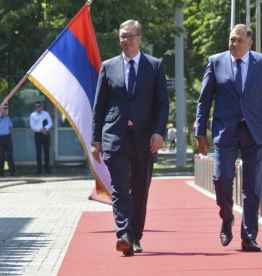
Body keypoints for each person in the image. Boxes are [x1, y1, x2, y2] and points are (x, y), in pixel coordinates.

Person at [195, 24, 262, 252]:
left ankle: (249, 235)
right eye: (232, 39)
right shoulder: (216, 62)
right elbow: (205, 100)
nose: (234, 44)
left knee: (252, 187)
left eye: (239, 41)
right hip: (225, 130)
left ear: (249, 43)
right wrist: (200, 131)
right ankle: (227, 217)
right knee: (221, 178)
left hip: (254, 131)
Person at [91, 20, 168, 256]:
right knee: (120, 187)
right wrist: (96, 140)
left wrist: (158, 132)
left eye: (131, 36)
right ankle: (123, 234)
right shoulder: (108, 66)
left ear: (140, 38)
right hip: (115, 136)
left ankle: (135, 235)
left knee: (140, 188)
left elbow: (162, 104)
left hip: (145, 138)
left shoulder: (154, 66)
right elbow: (99, 105)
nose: (126, 40)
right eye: (123, 36)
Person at [29, 101, 53, 174]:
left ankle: (47, 169)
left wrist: (45, 129)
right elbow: (32, 126)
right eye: (36, 106)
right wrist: (40, 129)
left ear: (41, 107)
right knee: (38, 153)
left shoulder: (46, 114)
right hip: (38, 135)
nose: (38, 108)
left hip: (46, 134)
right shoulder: (32, 115)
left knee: (47, 152)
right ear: (34, 107)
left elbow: (50, 123)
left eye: (39, 106)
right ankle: (39, 169)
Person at [0, 105, 16, 176]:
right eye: (3, 109)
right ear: (0, 110)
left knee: (10, 155)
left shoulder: (7, 119)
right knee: (1, 156)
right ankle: (1, 171)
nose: (5, 111)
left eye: (5, 109)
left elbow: (10, 128)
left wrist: (11, 137)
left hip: (7, 138)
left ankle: (12, 171)